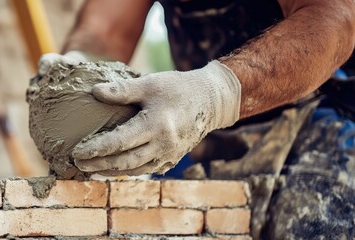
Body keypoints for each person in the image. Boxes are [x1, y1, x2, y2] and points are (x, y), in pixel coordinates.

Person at [37, 0, 355, 238]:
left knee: (309, 223)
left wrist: (216, 93)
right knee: (148, 225)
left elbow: (332, 19)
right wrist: (78, 67)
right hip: (205, 128)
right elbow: (104, 30)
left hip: (324, 115)